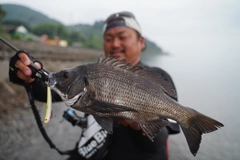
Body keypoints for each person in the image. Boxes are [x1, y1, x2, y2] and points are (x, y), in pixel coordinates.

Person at [9, 11, 180, 160]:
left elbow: (158, 142)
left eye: (122, 37)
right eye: (108, 38)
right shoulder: (92, 74)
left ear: (141, 42)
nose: (114, 44)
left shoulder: (157, 78)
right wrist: (28, 76)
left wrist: (139, 126)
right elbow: (47, 92)